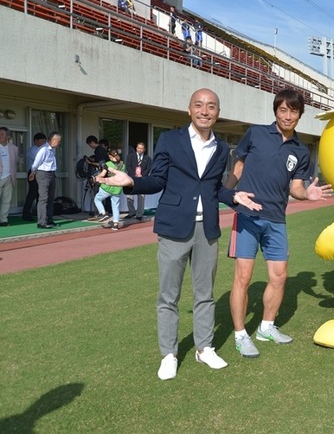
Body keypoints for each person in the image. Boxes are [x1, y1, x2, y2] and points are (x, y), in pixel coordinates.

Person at [95, 88, 261, 380]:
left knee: (205, 294)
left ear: (217, 113)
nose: (205, 111)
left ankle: (204, 348)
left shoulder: (222, 149)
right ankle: (169, 354)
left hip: (207, 230)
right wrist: (131, 181)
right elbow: (158, 180)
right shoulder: (170, 140)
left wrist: (233, 197)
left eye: (211, 106)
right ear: (189, 110)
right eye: (199, 105)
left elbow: (212, 188)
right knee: (168, 296)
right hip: (174, 227)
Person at [225, 89, 332, 358]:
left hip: (276, 219)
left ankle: (266, 327)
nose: (287, 116)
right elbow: (238, 167)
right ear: (276, 111)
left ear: (300, 115)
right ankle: (240, 335)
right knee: (243, 277)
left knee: (279, 276)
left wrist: (307, 193)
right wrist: (226, 195)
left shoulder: (300, 150)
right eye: (283, 110)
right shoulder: (256, 133)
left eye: (293, 111)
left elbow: (295, 187)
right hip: (247, 217)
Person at [29, 131, 61, 229]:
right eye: (58, 141)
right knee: (43, 198)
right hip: (43, 173)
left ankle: (49, 219)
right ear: (53, 140)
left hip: (51, 173)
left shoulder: (52, 150)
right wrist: (33, 172)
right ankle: (41, 222)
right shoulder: (43, 149)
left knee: (51, 198)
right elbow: (36, 162)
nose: (59, 143)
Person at [93, 149, 126, 230]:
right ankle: (115, 224)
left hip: (107, 187)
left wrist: (96, 177)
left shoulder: (108, 164)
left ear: (111, 157)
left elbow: (102, 174)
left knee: (97, 199)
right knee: (115, 206)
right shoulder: (123, 165)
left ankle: (103, 213)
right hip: (117, 188)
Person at [22, 132, 46, 221]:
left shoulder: (43, 150)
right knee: (32, 194)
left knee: (40, 195)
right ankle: (26, 214)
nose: (43, 143)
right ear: (36, 141)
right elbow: (40, 161)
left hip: (40, 173)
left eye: (44, 141)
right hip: (33, 173)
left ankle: (39, 213)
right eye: (41, 141)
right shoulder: (33, 150)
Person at [124, 142, 152, 220]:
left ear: (144, 149)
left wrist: (142, 175)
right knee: (129, 196)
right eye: (138, 148)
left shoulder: (147, 158)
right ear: (136, 148)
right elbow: (128, 166)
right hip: (131, 178)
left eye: (142, 148)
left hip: (142, 179)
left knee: (141, 196)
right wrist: (133, 175)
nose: (140, 150)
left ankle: (139, 214)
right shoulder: (130, 156)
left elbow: (148, 168)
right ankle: (131, 212)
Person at [0, 126, 19, 226]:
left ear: (7, 136)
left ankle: (3, 220)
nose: (0, 136)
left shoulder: (14, 148)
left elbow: (15, 162)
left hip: (9, 177)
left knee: (6, 200)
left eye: (2, 134)